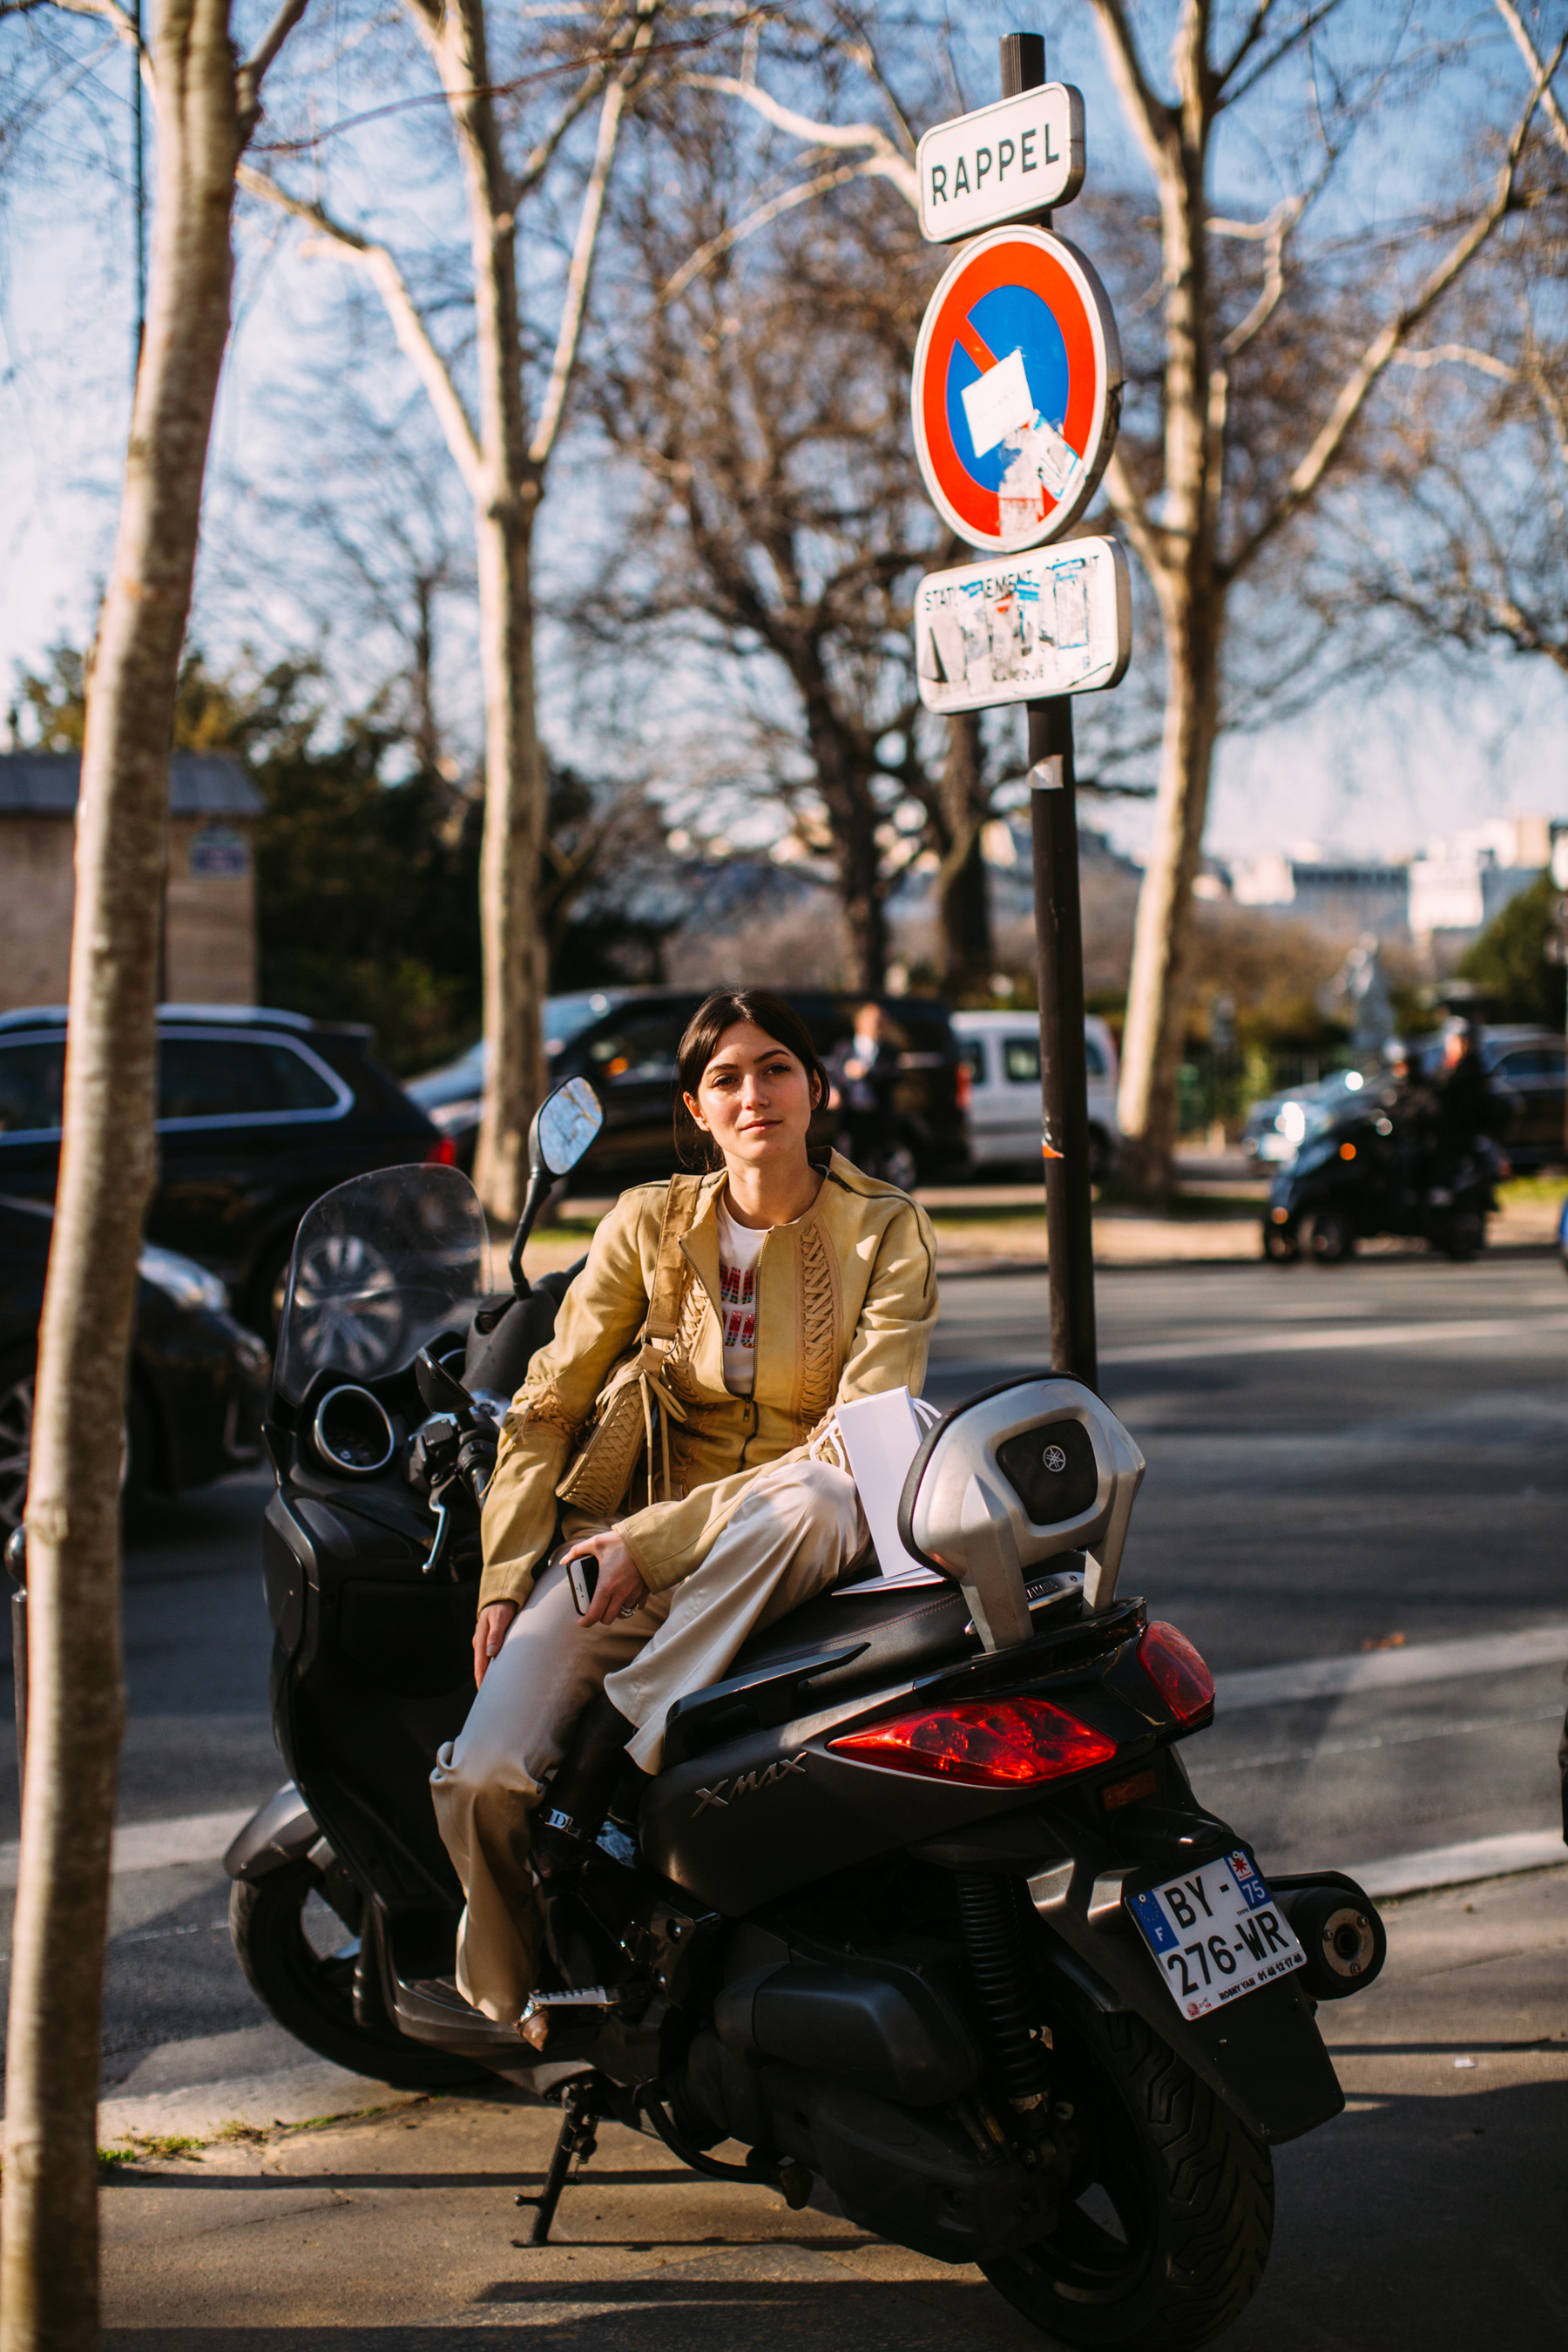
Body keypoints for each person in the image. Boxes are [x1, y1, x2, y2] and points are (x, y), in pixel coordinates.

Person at [429, 988, 938, 2034]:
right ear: (697, 1109)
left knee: (817, 1487)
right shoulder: (645, 1225)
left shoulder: (883, 1229)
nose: (756, 1094)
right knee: (482, 1775)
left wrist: (655, 1539)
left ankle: (621, 1739)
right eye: (727, 1077)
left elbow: (859, 1433)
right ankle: (523, 1995)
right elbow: (542, 1407)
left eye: (777, 1068)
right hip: (618, 1558)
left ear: (818, 1087)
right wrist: (506, 1572)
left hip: (788, 1540)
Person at [829, 1001, 900, 1177]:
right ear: (860, 1023)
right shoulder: (844, 1048)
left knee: (876, 1166)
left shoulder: (889, 1051)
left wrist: (867, 1072)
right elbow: (835, 1075)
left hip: (877, 1116)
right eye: (874, 1021)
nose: (879, 1025)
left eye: (882, 1021)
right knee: (849, 1162)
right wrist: (835, 1090)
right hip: (851, 1116)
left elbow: (894, 1076)